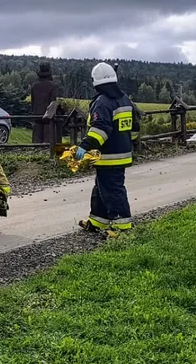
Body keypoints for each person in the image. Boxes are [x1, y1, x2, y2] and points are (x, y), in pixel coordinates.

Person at [72, 61, 136, 236]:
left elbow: (100, 130)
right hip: (122, 154)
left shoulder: (102, 102)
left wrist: (84, 147)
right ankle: (97, 221)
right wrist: (127, 143)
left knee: (113, 191)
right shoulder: (124, 99)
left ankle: (121, 227)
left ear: (96, 82)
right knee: (101, 188)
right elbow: (135, 127)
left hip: (109, 156)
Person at [29, 61, 59, 143]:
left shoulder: (34, 86)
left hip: (36, 115)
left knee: (37, 140)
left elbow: (33, 102)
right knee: (48, 141)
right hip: (48, 117)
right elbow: (53, 103)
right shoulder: (53, 86)